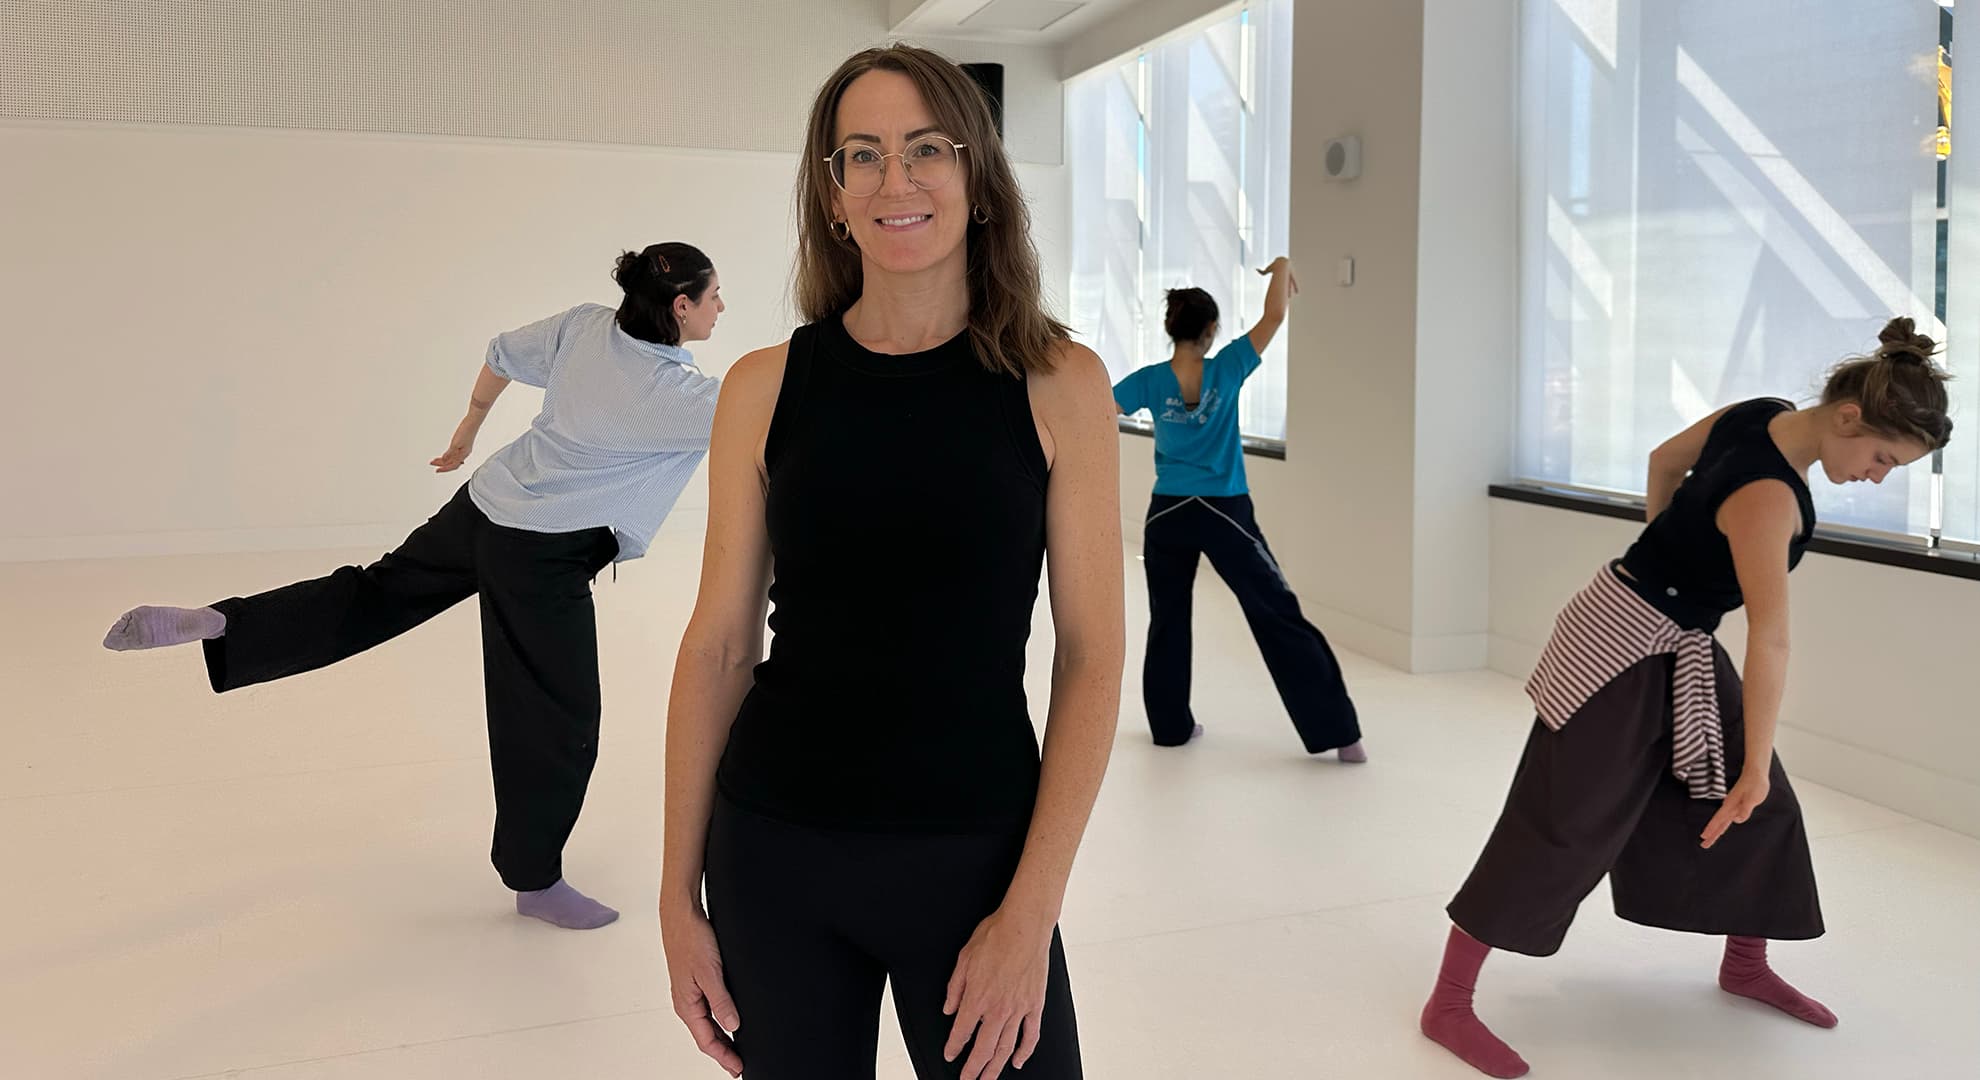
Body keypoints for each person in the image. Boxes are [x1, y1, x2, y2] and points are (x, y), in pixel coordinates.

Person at [659, 44, 1122, 1080]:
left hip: (975, 866)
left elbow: (1090, 656)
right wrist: (674, 896)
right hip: (773, 854)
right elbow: (721, 647)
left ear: (978, 177)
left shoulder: (1059, 384)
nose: (895, 180)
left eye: (926, 149)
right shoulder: (764, 385)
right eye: (860, 155)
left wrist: (1031, 913)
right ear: (831, 196)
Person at [102, 243, 725, 931]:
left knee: (374, 593)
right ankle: (535, 881)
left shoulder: (584, 327)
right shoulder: (681, 398)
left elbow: (499, 354)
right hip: (544, 555)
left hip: (483, 503)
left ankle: (226, 623)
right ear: (680, 306)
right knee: (554, 719)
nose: (722, 306)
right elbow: (776, 412)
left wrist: (468, 427)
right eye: (714, 295)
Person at [1420, 317, 1954, 1078]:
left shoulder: (1758, 415)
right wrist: (1752, 752)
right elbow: (1770, 638)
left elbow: (1663, 462)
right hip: (1623, 647)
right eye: (1882, 457)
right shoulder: (1771, 497)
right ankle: (1447, 1002)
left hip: (1670, 635)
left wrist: (1672, 556)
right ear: (1847, 417)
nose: (1878, 476)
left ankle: (1744, 965)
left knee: (1762, 807)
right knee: (1562, 823)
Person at [1111, 266, 1365, 760]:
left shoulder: (1149, 381)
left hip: (1166, 514)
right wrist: (1285, 268)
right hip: (1223, 510)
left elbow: (1101, 408)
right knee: (1277, 613)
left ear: (1172, 329)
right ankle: (1340, 734)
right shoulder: (1228, 367)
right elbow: (1273, 315)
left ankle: (1169, 728)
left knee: (1167, 620)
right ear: (1210, 332)